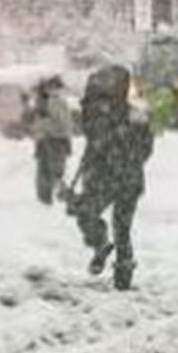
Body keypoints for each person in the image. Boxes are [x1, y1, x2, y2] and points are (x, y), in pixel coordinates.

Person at [66, 64, 154, 291]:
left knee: (93, 215)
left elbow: (140, 147)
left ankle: (104, 247)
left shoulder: (102, 115)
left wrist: (115, 153)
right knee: (120, 227)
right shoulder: (130, 116)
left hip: (107, 178)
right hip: (124, 178)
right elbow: (145, 148)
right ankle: (120, 268)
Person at [27, 76, 73, 205]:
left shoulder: (51, 102)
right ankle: (52, 196)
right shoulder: (51, 102)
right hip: (53, 140)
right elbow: (63, 123)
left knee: (49, 170)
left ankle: (50, 196)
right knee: (53, 170)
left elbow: (60, 123)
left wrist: (43, 128)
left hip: (52, 140)